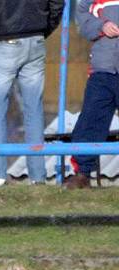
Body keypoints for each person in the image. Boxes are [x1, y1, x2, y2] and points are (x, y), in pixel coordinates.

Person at [0, 0, 64, 187]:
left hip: (4, 41)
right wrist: (42, 30)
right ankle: (37, 176)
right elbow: (57, 4)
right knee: (34, 111)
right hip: (35, 39)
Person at [66, 0, 119, 189]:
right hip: (102, 69)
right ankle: (82, 174)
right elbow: (82, 17)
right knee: (89, 123)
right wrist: (102, 26)